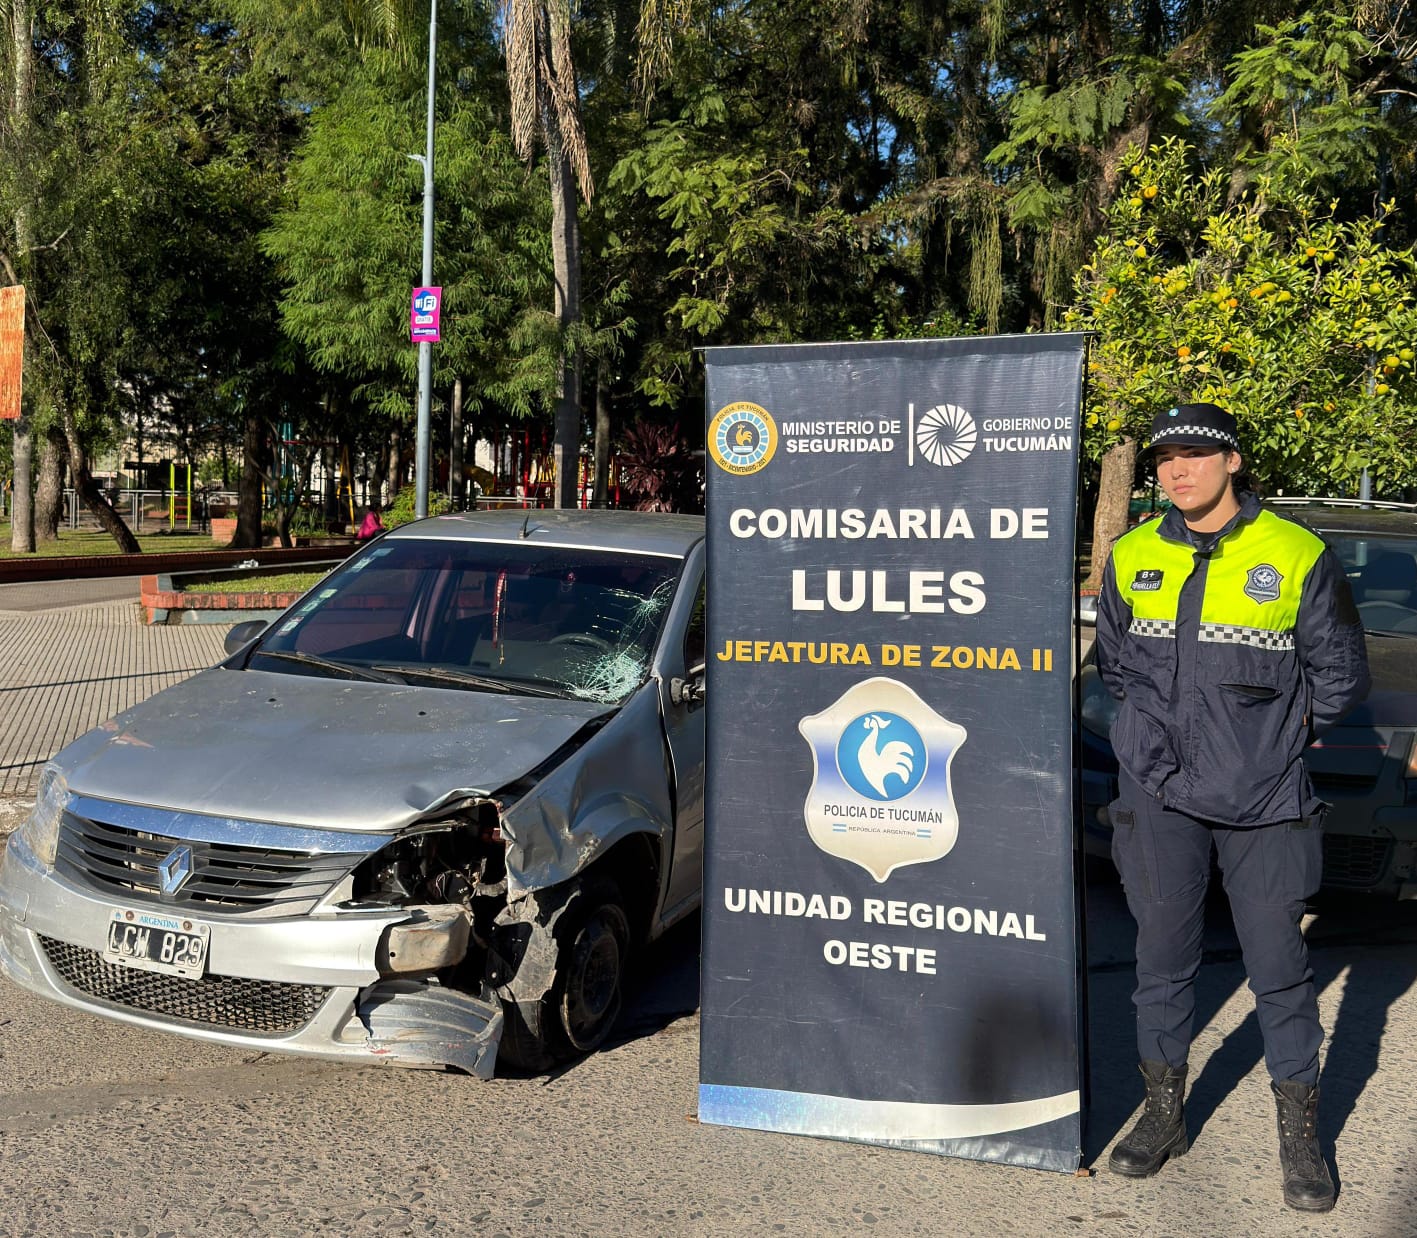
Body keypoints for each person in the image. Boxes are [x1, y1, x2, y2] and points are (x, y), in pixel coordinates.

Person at [1094, 402, 1369, 1212]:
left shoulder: (1294, 552)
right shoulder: (1132, 552)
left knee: (1279, 973)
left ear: (1233, 462)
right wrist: (1154, 740)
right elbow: (1115, 666)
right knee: (1160, 963)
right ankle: (1161, 1115)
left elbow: (1341, 678)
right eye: (1165, 459)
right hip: (1157, 793)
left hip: (1265, 797)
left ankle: (1300, 1140)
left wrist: (1269, 741)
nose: (1177, 471)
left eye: (1195, 455)